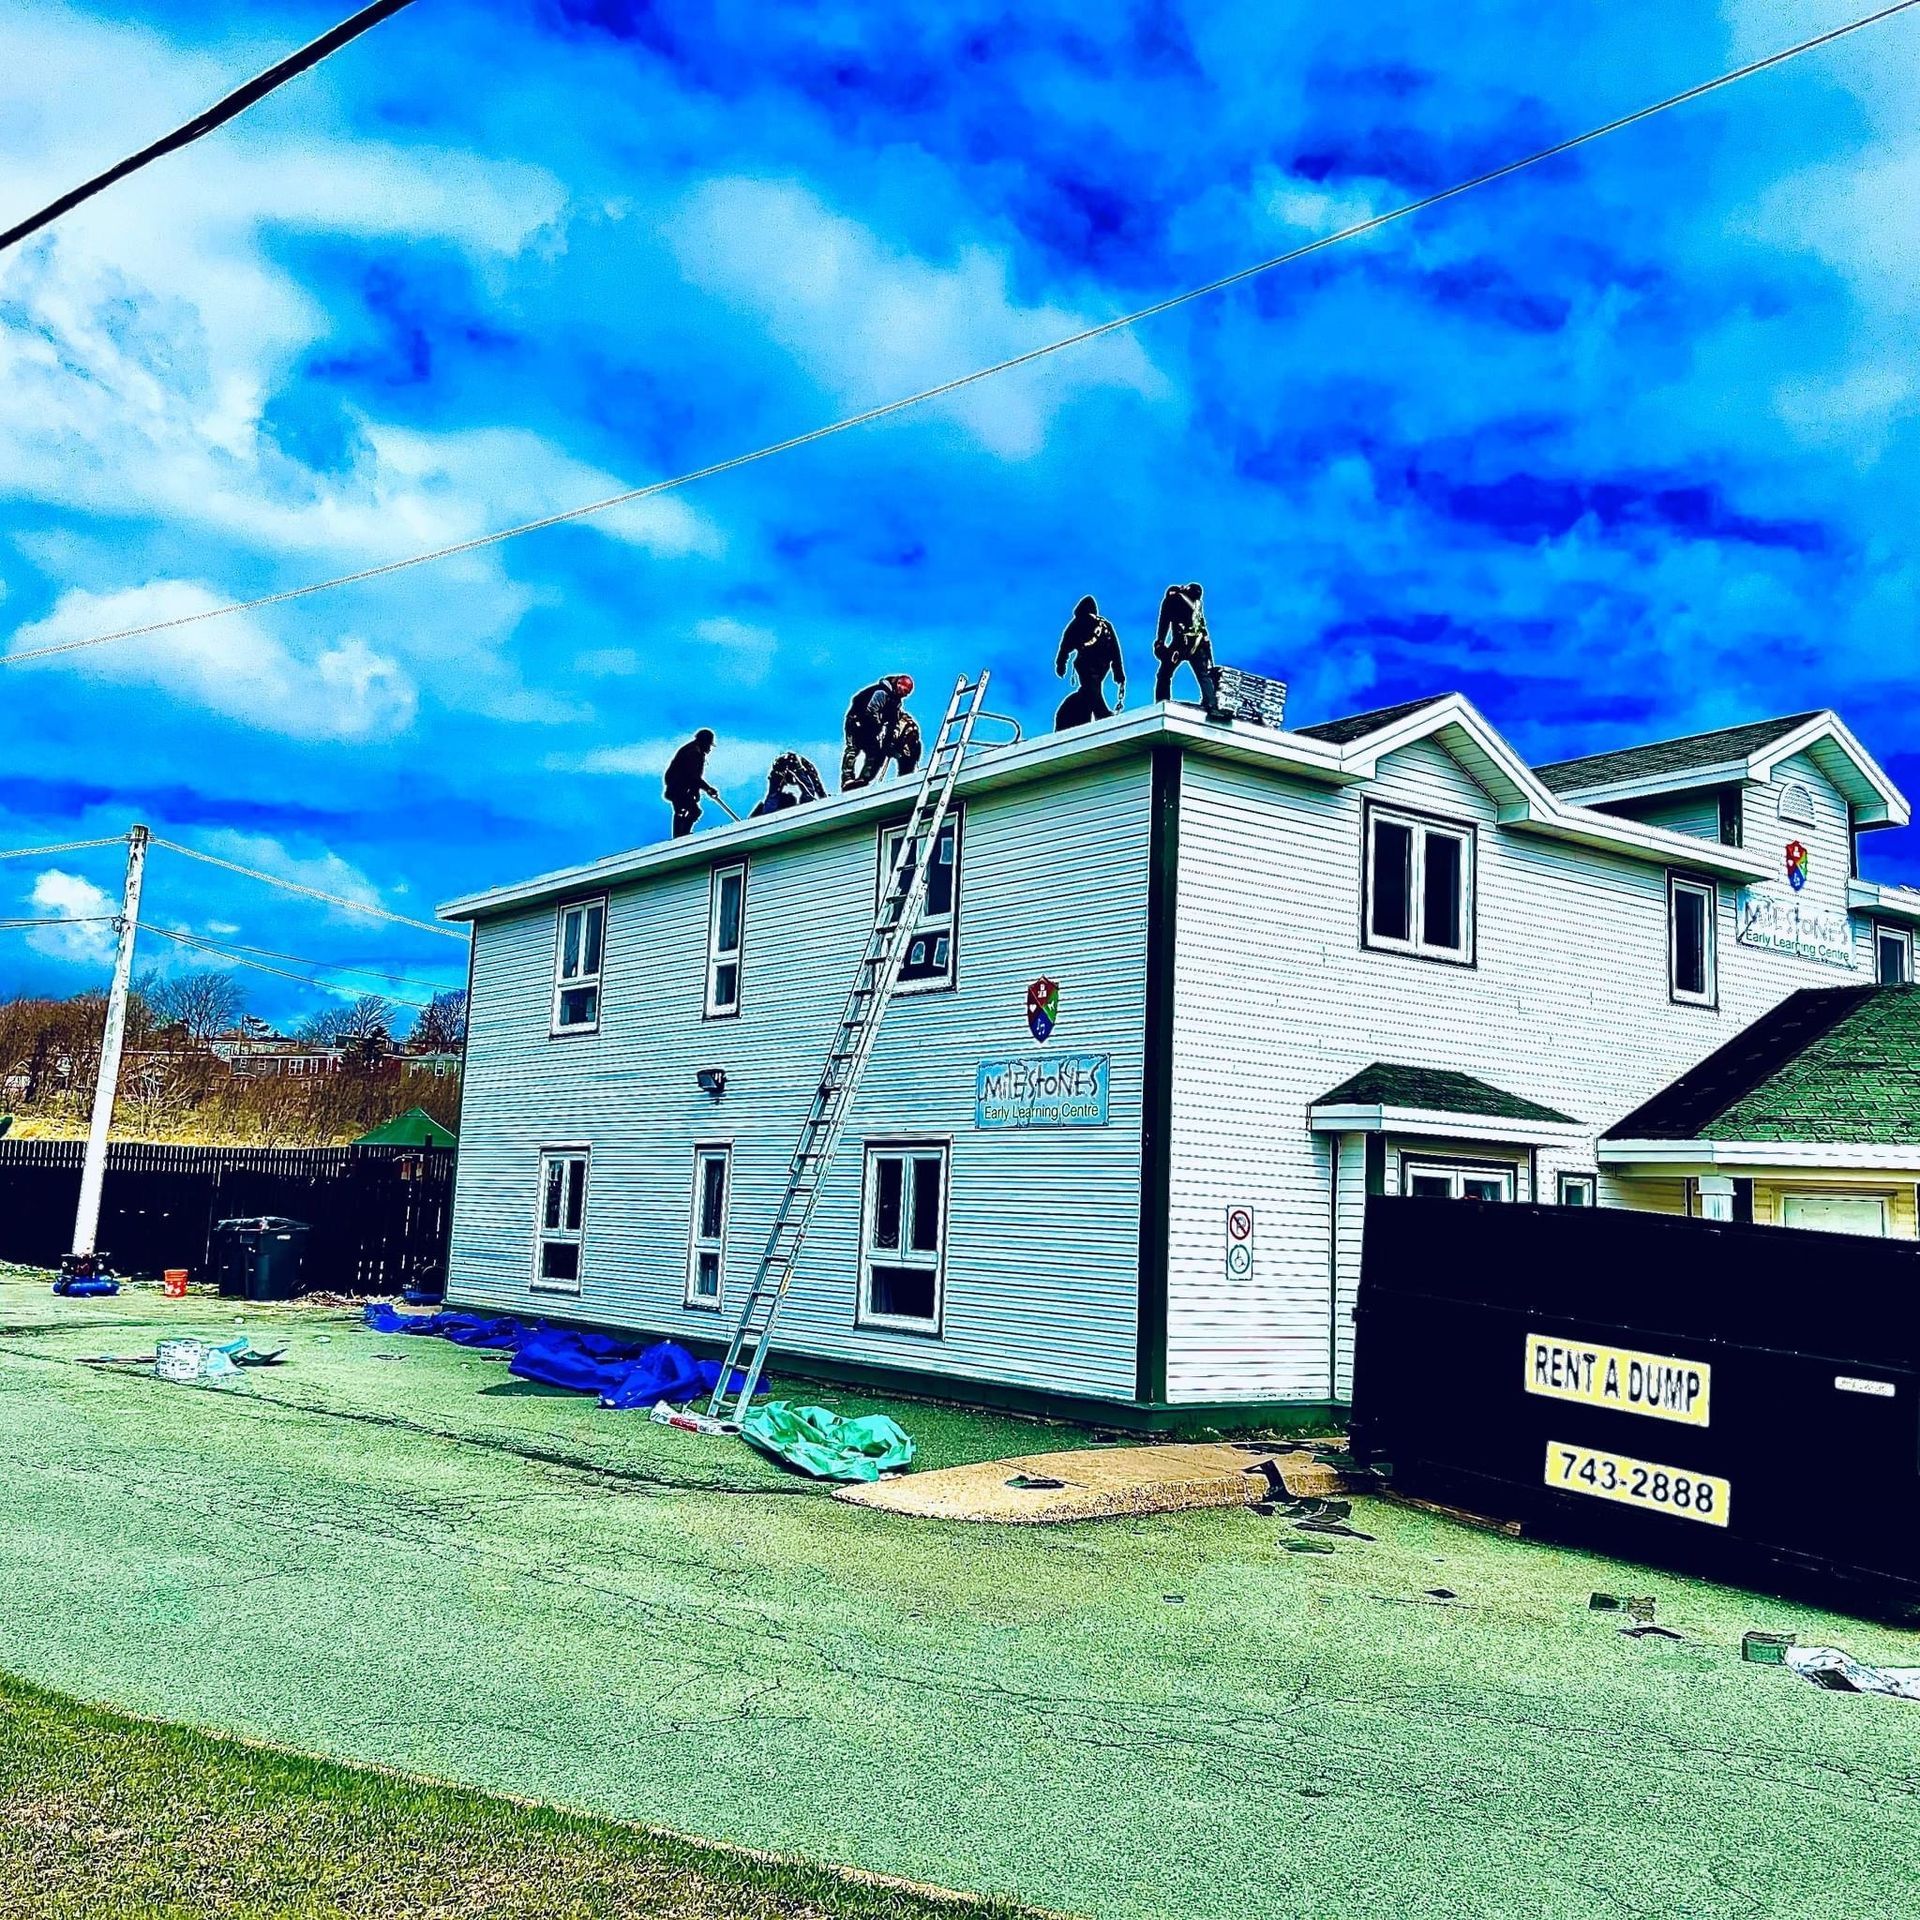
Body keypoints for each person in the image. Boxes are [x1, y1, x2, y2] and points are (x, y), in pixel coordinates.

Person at [1053, 594, 1127, 729]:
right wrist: (1061, 663)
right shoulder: (1080, 624)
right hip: (1087, 665)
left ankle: (1085, 716)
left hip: (1100, 666)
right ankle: (1101, 714)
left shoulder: (1101, 626)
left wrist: (1118, 671)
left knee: (1089, 691)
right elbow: (1065, 646)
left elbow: (1115, 651)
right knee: (1092, 687)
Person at [841, 674, 917, 790]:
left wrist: (888, 741)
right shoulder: (881, 693)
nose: (905, 694)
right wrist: (878, 729)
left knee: (875, 752)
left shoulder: (895, 702)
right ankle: (847, 779)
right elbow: (871, 712)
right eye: (905, 690)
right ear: (898, 684)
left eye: (907, 693)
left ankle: (863, 779)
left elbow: (893, 722)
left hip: (870, 727)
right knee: (853, 749)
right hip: (856, 722)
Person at [1154, 582, 1218, 706]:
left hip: (1180, 644)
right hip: (1198, 644)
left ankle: (1162, 701)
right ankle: (1211, 702)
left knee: (1164, 674)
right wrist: (1209, 655)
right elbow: (1202, 627)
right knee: (1203, 674)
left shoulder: (1171, 600)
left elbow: (1164, 622)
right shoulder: (1197, 603)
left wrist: (1160, 642)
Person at [663, 728, 719, 837]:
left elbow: (694, 777)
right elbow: (692, 777)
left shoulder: (697, 752)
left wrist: (695, 791)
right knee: (690, 811)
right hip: (677, 787)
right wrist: (708, 788)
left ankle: (681, 835)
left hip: (680, 787)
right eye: (709, 745)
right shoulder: (692, 753)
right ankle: (681, 836)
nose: (709, 749)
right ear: (704, 742)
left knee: (688, 811)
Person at [751, 750, 827, 817]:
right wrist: (823, 798)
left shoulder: (805, 767)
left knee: (773, 796)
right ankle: (767, 815)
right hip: (786, 766)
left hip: (790, 766)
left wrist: (823, 798)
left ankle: (766, 814)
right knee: (807, 792)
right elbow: (814, 785)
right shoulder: (785, 768)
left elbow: (816, 783)